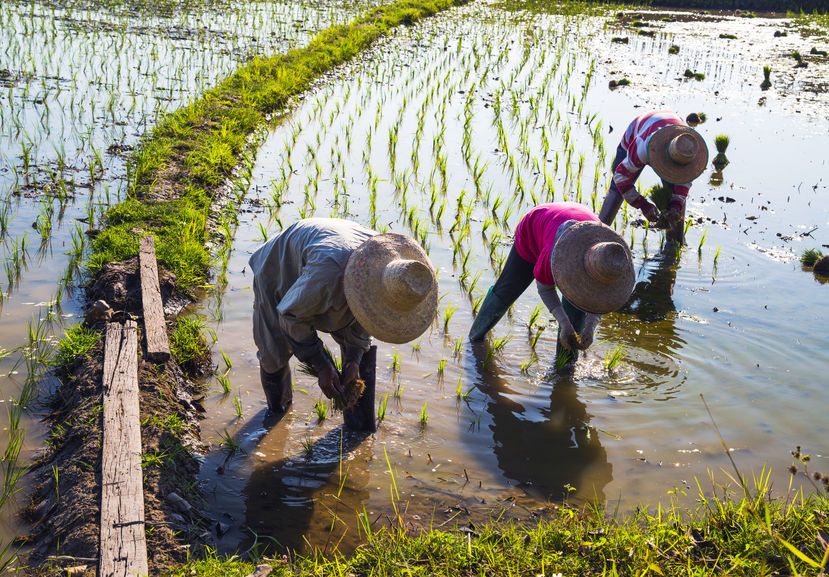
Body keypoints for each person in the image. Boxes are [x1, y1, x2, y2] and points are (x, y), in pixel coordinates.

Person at [250, 218, 437, 416]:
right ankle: (277, 415)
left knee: (356, 353)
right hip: (280, 267)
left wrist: (353, 361)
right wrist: (321, 365)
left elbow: (368, 321)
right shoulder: (327, 276)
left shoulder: (389, 274)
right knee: (273, 353)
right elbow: (290, 315)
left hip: (336, 268)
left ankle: (357, 427)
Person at [469, 202, 635, 362]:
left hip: (580, 229)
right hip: (535, 227)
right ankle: (475, 338)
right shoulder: (557, 255)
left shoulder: (611, 258)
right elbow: (545, 289)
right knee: (509, 288)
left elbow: (602, 300)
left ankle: (565, 367)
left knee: (577, 310)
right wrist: (563, 323)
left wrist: (590, 327)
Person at [598, 110, 708, 244]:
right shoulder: (643, 147)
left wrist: (675, 207)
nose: (671, 171)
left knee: (674, 197)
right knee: (616, 190)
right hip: (639, 132)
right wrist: (643, 205)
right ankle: (597, 235)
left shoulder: (689, 156)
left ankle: (674, 246)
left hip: (671, 129)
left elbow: (681, 191)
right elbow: (620, 176)